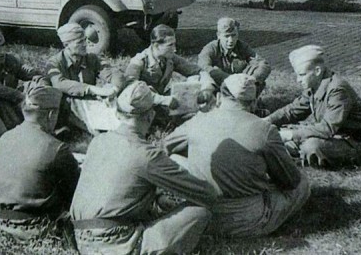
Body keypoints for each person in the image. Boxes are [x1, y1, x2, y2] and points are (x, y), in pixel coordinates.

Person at [70, 81, 217, 255]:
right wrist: (182, 162)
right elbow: (206, 192)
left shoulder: (98, 141)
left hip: (80, 238)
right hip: (117, 244)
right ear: (150, 116)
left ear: (117, 113)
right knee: (200, 212)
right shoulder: (146, 154)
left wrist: (157, 197)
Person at [164, 74, 310, 238]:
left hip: (201, 215)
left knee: (176, 156)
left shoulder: (196, 121)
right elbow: (290, 180)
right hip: (248, 221)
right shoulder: (265, 129)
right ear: (254, 102)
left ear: (219, 97)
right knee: (302, 183)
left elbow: (166, 147)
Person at [0, 78, 80, 241]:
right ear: (51, 114)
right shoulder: (56, 147)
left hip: (0, 222)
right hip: (37, 227)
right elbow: (75, 192)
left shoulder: (5, 138)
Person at [264, 45, 361, 167]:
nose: (298, 80)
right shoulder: (315, 84)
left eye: (302, 75)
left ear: (317, 71)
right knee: (284, 138)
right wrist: (267, 121)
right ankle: (296, 154)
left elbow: (327, 128)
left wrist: (290, 135)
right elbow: (293, 110)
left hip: (357, 143)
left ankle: (300, 155)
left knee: (311, 146)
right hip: (336, 137)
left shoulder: (338, 89)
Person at [125, 24, 215, 120]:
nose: (175, 49)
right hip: (139, 107)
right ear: (156, 46)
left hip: (159, 104)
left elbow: (197, 70)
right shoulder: (139, 61)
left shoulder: (169, 58)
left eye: (174, 44)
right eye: (170, 45)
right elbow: (130, 87)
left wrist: (207, 88)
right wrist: (162, 100)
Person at [47, 23, 125, 134]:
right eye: (80, 42)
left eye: (85, 40)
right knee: (72, 102)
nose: (85, 44)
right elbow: (59, 83)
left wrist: (114, 90)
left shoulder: (91, 58)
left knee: (115, 91)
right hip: (66, 107)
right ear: (66, 45)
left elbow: (114, 73)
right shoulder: (55, 63)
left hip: (89, 103)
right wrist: (91, 89)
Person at [197, 17, 271, 99]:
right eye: (227, 36)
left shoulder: (242, 47)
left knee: (258, 74)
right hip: (219, 86)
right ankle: (212, 104)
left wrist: (253, 79)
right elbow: (203, 66)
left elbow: (263, 64)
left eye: (233, 35)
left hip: (240, 87)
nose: (231, 40)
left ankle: (249, 103)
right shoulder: (211, 48)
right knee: (205, 76)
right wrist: (229, 79)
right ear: (218, 35)